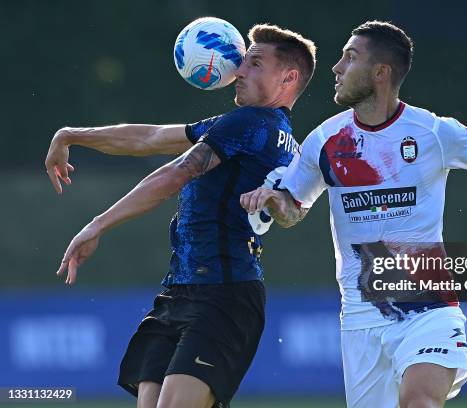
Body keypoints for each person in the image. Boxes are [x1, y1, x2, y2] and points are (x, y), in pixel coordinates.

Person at [240, 20, 467, 408]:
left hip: (429, 308)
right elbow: (294, 211)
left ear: (380, 72)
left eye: (349, 57)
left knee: (419, 402)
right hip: (361, 318)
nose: (336, 68)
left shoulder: (433, 132)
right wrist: (276, 203)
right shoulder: (325, 141)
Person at [45, 24, 316, 408]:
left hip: (223, 295)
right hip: (183, 290)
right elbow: (151, 137)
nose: (238, 72)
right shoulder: (256, 128)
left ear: (288, 78)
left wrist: (97, 224)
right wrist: (71, 134)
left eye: (254, 64)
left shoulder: (252, 123)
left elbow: (175, 173)